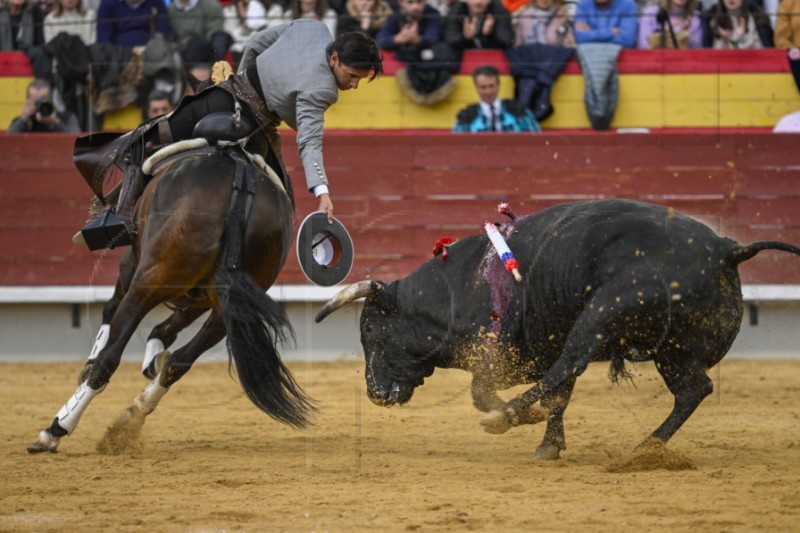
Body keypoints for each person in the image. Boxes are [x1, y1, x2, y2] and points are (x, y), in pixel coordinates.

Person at [78, 20, 382, 243]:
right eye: (352, 75)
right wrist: (322, 192)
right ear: (334, 59)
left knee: (148, 140)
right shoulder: (324, 89)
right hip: (257, 133)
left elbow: (258, 41)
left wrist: (242, 78)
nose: (353, 85)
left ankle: (122, 217)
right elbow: (309, 140)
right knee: (284, 203)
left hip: (221, 100)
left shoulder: (312, 27)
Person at [453, 65, 541, 132]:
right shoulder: (466, 116)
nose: (488, 92)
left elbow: (535, 139)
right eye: (483, 87)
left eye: (491, 86)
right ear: (477, 88)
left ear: (498, 85)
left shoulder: (519, 110)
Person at [168, 0, 233, 75]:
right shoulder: (171, 9)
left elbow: (215, 30)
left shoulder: (210, 4)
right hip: (182, 49)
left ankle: (218, 77)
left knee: (219, 39)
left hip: (207, 46)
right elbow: (171, 36)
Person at [7, 78, 81, 133]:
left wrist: (55, 123)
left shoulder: (66, 118)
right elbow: (9, 140)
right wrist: (24, 119)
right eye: (35, 102)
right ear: (28, 102)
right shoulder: (26, 121)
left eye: (43, 100)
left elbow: (74, 139)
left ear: (51, 99)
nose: (40, 105)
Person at [443, 0, 514, 51]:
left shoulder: (500, 11)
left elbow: (506, 42)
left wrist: (490, 35)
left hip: (492, 58)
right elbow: (449, 41)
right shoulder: (456, 11)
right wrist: (465, 38)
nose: (478, 2)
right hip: (463, 59)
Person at [96, 0, 170, 46]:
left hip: (151, 56)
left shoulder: (155, 2)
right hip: (119, 58)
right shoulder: (107, 3)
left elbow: (163, 32)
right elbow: (104, 41)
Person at [707, 0, 773, 48]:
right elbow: (714, 57)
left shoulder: (755, 18)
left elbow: (761, 52)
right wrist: (726, 39)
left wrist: (738, 39)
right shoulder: (713, 19)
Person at [572, 0, 638, 48]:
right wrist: (610, 32)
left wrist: (591, 35)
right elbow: (580, 38)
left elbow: (626, 41)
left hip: (619, 59)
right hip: (589, 56)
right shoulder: (583, 4)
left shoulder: (628, 4)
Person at [637, 0, 702, 48]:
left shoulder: (694, 17)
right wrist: (666, 31)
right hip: (655, 63)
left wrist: (685, 33)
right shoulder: (651, 13)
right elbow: (644, 46)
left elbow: (697, 51)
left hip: (683, 63)